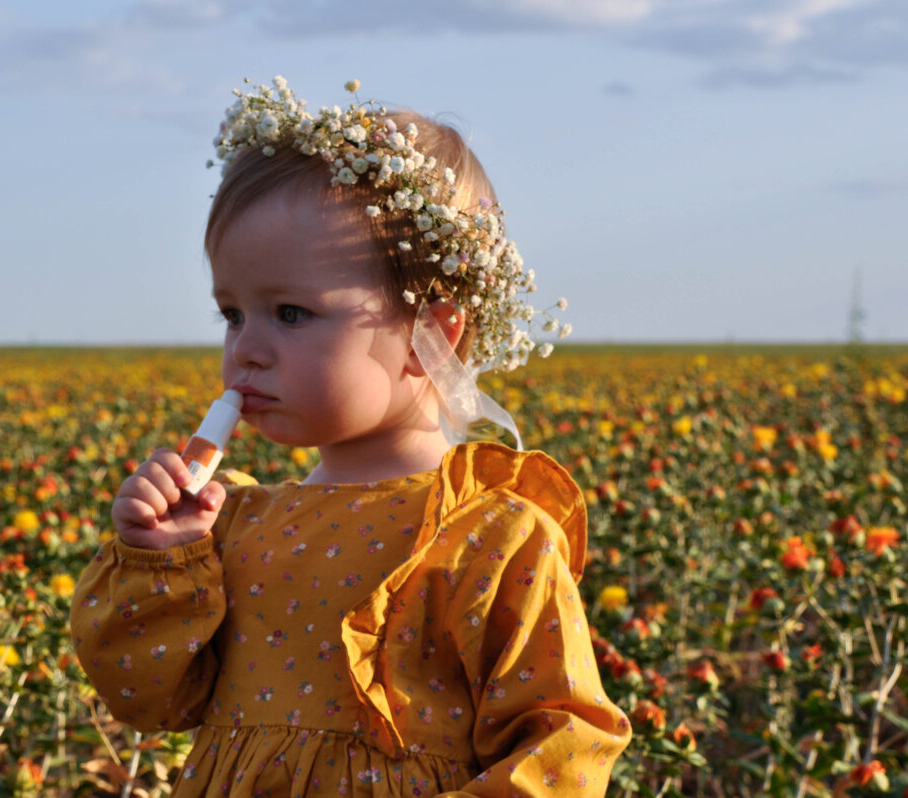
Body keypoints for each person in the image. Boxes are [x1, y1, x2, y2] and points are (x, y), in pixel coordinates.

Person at [71, 76, 630, 797]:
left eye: (292, 314)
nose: (245, 350)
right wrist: (159, 564)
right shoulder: (228, 526)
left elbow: (564, 745)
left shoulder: (491, 537)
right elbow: (147, 699)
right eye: (232, 314)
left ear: (431, 333)